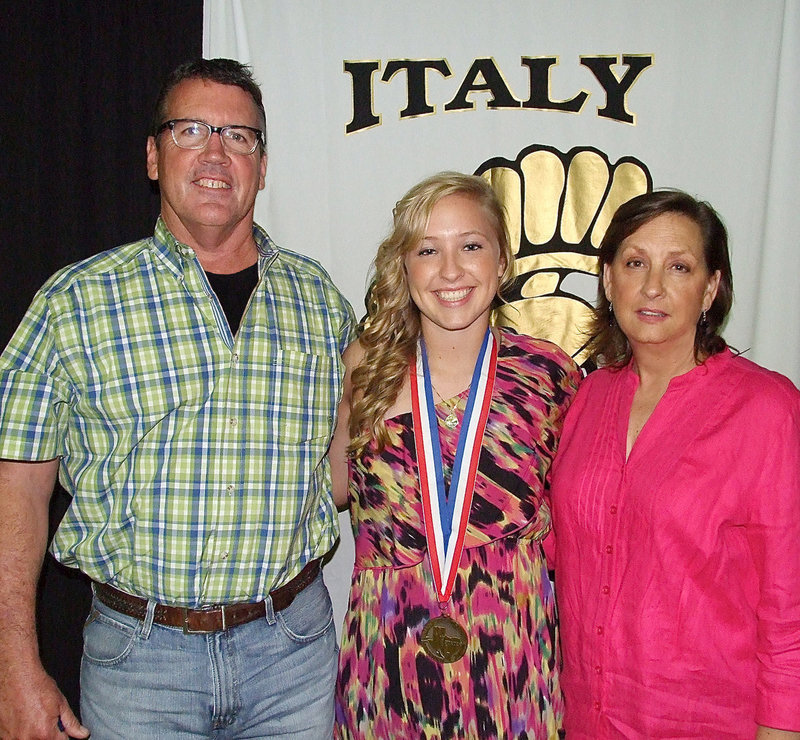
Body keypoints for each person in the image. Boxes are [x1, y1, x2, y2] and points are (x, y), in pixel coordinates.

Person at [0, 58, 355, 739]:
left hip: (293, 655)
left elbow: (348, 465)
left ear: (263, 163)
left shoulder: (319, 300)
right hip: (141, 662)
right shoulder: (75, 301)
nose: (217, 152)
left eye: (239, 136)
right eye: (192, 130)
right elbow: (16, 490)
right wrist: (13, 663)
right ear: (154, 156)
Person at [329, 172, 581, 739]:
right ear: (404, 266)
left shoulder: (551, 375)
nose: (450, 271)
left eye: (470, 245)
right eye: (427, 250)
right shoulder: (364, 369)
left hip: (513, 662)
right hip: (387, 657)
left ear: (503, 261)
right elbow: (329, 492)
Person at [549, 190, 800, 738]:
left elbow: (790, 608)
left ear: (711, 287)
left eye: (679, 266)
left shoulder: (767, 409)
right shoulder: (588, 398)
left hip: (707, 722)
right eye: (635, 263)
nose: (653, 286)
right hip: (587, 719)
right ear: (609, 279)